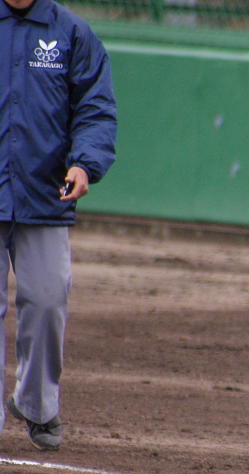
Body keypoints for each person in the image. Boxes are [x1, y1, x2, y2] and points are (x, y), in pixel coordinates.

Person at [1, 0, 118, 450]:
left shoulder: (71, 33)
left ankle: (36, 404)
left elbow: (95, 108)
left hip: (45, 193)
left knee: (48, 300)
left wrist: (85, 164)